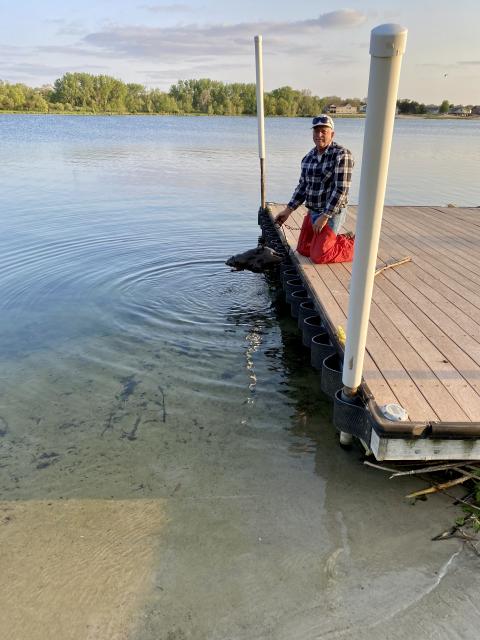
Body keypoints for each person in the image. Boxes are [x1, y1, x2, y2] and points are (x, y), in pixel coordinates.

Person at [275, 114, 354, 238]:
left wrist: (325, 216)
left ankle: (346, 239)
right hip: (313, 211)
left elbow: (341, 189)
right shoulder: (308, 158)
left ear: (332, 134)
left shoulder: (342, 154)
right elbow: (302, 187)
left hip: (332, 214)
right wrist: (288, 210)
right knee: (307, 247)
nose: (319, 135)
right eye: (316, 131)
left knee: (322, 250)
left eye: (324, 131)